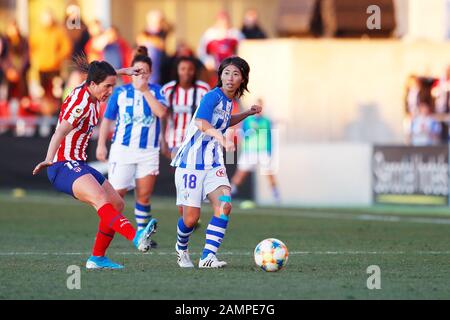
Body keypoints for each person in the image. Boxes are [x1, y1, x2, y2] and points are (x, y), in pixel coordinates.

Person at [32, 57, 157, 270]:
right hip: (63, 165)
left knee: (116, 203)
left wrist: (124, 71)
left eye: (112, 86)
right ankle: (136, 238)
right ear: (92, 85)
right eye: (107, 87)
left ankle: (97, 258)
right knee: (101, 199)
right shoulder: (81, 103)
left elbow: (102, 74)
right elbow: (60, 130)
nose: (110, 91)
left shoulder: (90, 89)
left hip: (78, 164)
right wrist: (49, 158)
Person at [171, 56, 262, 268]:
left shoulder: (229, 102)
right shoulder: (212, 96)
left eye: (236, 74)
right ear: (220, 75)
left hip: (213, 163)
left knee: (225, 205)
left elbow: (225, 120)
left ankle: (207, 257)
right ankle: (181, 248)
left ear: (243, 80)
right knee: (191, 219)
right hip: (191, 163)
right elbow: (201, 121)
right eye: (227, 73)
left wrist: (247, 113)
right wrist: (221, 138)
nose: (230, 78)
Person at [96, 47, 167, 248]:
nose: (140, 74)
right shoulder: (119, 92)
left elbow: (161, 113)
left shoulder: (157, 91)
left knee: (144, 196)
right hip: (122, 150)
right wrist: (101, 145)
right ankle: (104, 234)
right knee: (115, 197)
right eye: (136, 70)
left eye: (144, 71)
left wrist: (145, 90)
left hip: (148, 151)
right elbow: (107, 120)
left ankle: (143, 235)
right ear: (130, 71)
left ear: (150, 73)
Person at [161, 56, 210, 226]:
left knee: (191, 176)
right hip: (174, 139)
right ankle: (186, 210)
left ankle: (189, 210)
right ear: (177, 70)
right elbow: (163, 115)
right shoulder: (168, 90)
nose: (186, 73)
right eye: (183, 69)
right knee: (183, 173)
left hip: (197, 141)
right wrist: (163, 140)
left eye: (190, 69)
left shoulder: (203, 89)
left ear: (194, 71)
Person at [230, 98, 280, 203]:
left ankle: (276, 196)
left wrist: (270, 150)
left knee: (269, 174)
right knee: (240, 174)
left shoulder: (267, 121)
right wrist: (247, 134)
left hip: (263, 150)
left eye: (260, 107)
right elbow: (240, 134)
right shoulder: (247, 120)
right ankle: (229, 194)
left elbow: (270, 136)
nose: (258, 110)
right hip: (249, 151)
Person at [198, 10, 245, 88]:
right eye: (221, 20)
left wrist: (237, 62)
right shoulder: (209, 34)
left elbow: (244, 49)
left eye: (225, 19)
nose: (223, 22)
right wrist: (207, 61)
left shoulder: (236, 34)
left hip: (231, 68)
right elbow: (201, 51)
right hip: (214, 70)